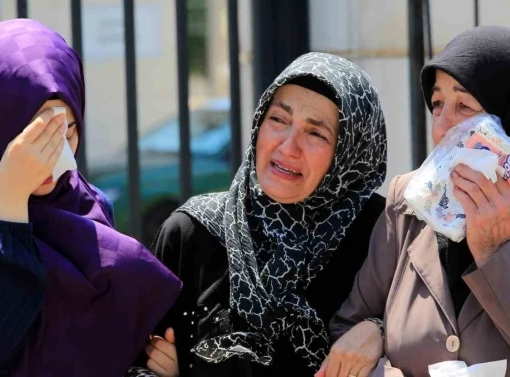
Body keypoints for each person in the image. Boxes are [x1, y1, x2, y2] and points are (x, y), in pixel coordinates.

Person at [325, 26, 510, 377]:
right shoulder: (410, 201)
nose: (442, 128)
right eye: (437, 104)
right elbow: (348, 336)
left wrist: (496, 252)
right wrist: (377, 332)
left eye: (464, 105)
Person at [0, 18, 181, 376]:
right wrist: (9, 204)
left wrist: (153, 363)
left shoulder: (88, 204)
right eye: (36, 137)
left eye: (67, 131)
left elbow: (99, 340)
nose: (55, 155)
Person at [130, 52, 388, 377]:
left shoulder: (384, 237)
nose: (288, 146)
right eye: (278, 119)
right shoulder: (194, 232)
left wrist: (382, 332)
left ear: (349, 154)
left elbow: (430, 340)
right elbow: (132, 362)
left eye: (316, 134)